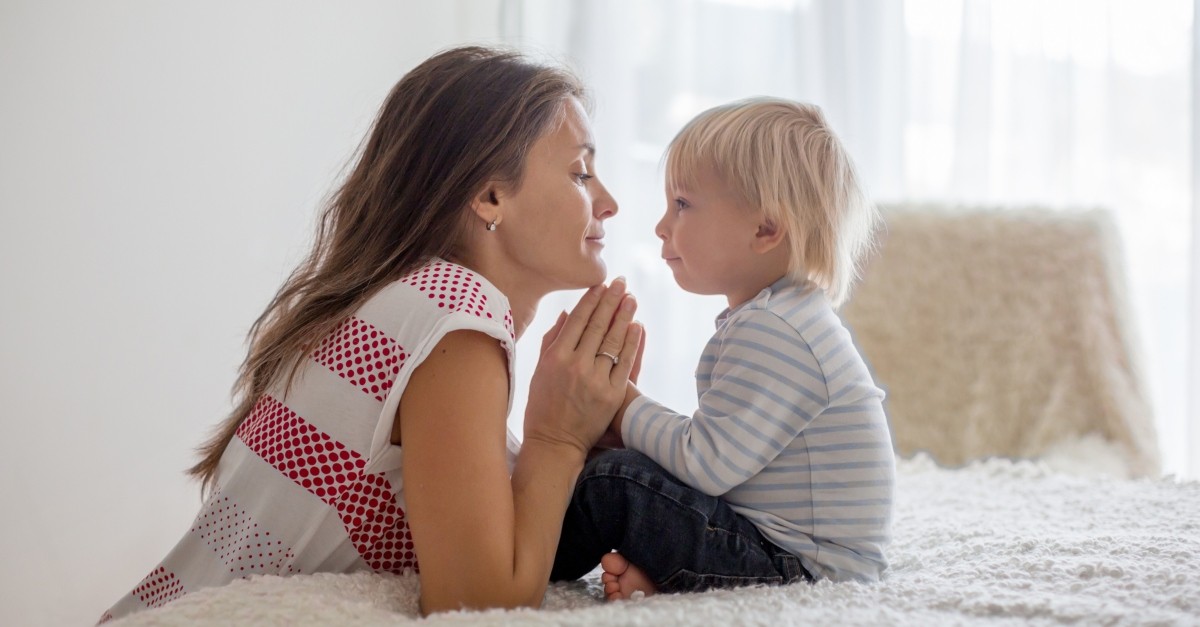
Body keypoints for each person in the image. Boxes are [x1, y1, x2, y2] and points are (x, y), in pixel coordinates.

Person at [99, 45, 643, 622]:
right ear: (490, 197)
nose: (608, 203)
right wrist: (556, 440)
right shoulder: (454, 309)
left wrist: (581, 449)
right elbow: (480, 606)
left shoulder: (402, 304)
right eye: (580, 173)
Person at [550, 97, 894, 600]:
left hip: (802, 569)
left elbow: (705, 464)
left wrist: (623, 408)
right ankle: (672, 578)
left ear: (765, 229)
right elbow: (721, 462)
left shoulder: (776, 329)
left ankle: (526, 558)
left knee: (615, 479)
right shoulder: (784, 316)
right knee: (632, 471)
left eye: (683, 205)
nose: (661, 226)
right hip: (783, 548)